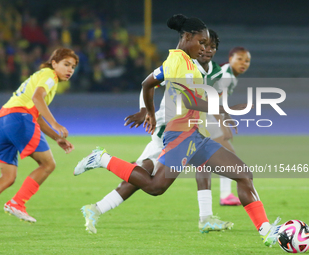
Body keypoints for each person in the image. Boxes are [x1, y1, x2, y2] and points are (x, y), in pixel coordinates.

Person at [74, 14, 280, 247]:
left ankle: (266, 230)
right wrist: (227, 108)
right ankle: (102, 158)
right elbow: (183, 98)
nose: (204, 48)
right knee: (154, 186)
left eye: (207, 45)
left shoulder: (189, 63)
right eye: (201, 43)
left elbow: (148, 84)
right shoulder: (177, 62)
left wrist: (149, 111)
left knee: (243, 174)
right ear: (188, 37)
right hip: (178, 134)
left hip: (196, 135)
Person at [75, 29, 234, 235]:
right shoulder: (181, 63)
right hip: (168, 128)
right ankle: (101, 169)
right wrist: (145, 110)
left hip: (192, 130)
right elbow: (149, 82)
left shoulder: (216, 74)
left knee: (160, 171)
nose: (207, 49)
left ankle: (205, 218)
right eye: (203, 44)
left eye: (212, 46)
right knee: (150, 179)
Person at [0, 48, 78, 226]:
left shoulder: (38, 75)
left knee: (8, 176)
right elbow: (37, 98)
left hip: (2, 119)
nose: (70, 70)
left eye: (73, 67)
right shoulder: (49, 76)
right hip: (19, 118)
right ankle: (17, 203)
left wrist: (56, 137)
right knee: (48, 164)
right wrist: (55, 124)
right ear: (54, 63)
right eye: (66, 64)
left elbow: (36, 114)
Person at [194, 45, 251, 206]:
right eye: (239, 59)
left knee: (206, 158)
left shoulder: (229, 74)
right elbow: (212, 99)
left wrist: (227, 118)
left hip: (204, 115)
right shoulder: (226, 76)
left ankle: (141, 166)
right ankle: (225, 195)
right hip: (205, 116)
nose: (244, 63)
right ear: (230, 58)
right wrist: (222, 124)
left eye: (247, 60)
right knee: (227, 154)